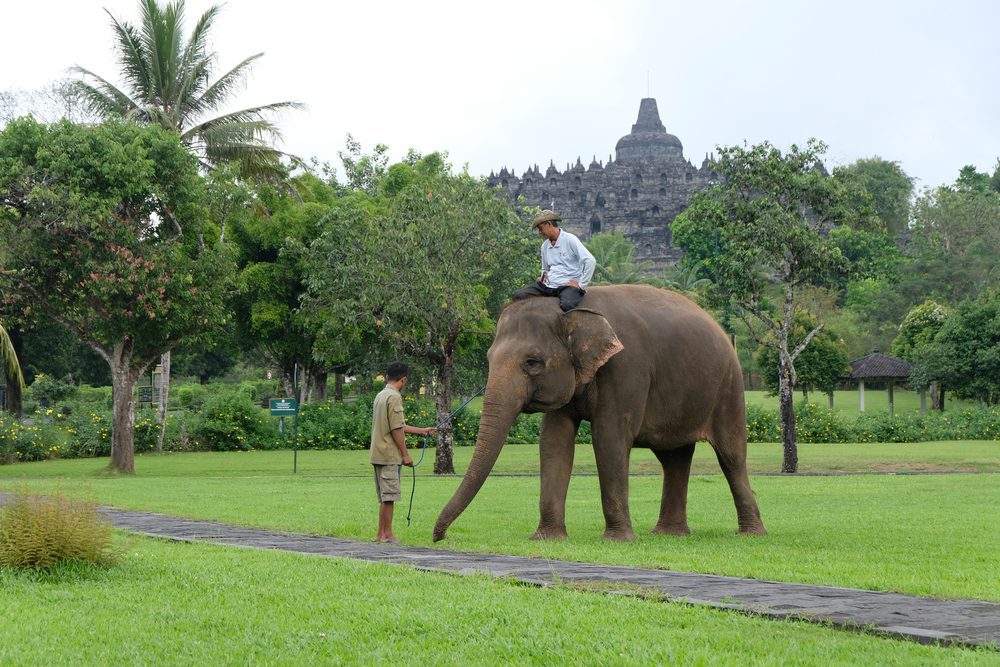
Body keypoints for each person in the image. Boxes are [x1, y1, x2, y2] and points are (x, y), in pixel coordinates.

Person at [370, 361, 435, 544]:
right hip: (389, 454)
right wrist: (405, 454)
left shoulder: (381, 395)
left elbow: (396, 425)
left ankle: (379, 534)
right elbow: (396, 429)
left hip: (377, 453)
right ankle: (388, 535)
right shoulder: (395, 397)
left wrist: (422, 430)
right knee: (390, 496)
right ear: (403, 379)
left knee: (384, 496)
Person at [512, 210, 596, 311]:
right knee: (518, 295)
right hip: (548, 285)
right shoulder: (545, 246)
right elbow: (545, 268)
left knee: (567, 305)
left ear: (549, 224)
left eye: (540, 228)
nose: (540, 232)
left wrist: (581, 284)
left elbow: (590, 261)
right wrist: (543, 277)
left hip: (566, 285)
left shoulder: (570, 240)